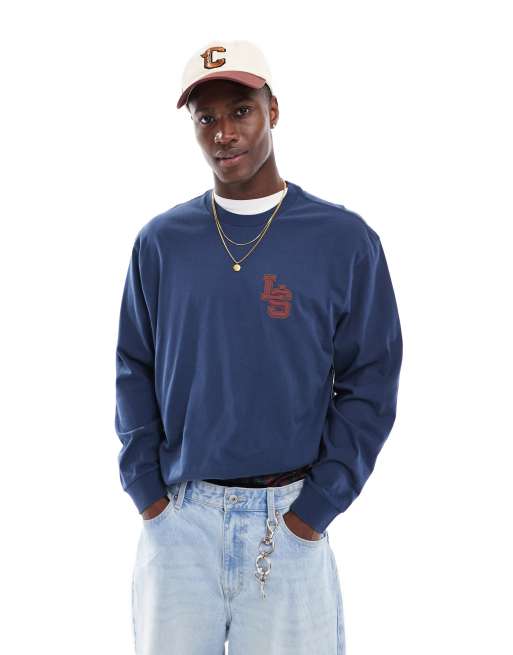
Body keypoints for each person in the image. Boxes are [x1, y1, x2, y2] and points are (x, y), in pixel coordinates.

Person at [114, 39, 403, 655]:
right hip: (180, 521)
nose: (224, 133)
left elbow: (371, 381)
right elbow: (133, 367)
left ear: (273, 110)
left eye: (240, 111)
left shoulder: (343, 240)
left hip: (290, 520)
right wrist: (148, 496)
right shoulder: (162, 243)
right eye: (206, 118)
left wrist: (313, 511)